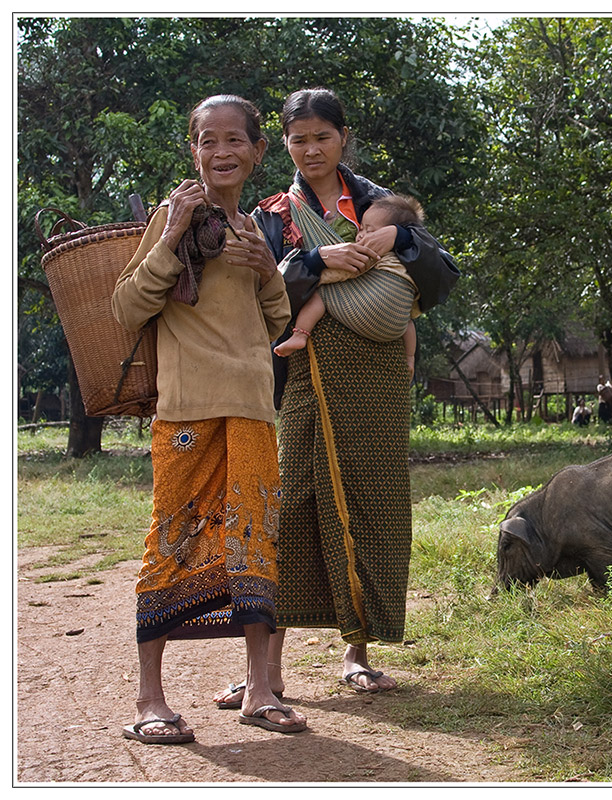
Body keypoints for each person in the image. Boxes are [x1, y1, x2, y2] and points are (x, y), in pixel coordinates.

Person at [213, 87, 458, 706]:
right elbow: (256, 288)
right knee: (291, 503)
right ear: (286, 145)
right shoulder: (272, 214)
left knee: (371, 500)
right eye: (299, 139)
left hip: (376, 379)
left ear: (343, 137)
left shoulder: (381, 205)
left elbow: (441, 273)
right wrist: (316, 260)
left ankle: (358, 653)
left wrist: (397, 242)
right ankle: (266, 669)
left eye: (323, 137)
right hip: (307, 373)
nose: (312, 149)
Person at [112, 94, 306, 742]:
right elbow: (127, 307)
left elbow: (277, 320)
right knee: (173, 536)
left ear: (256, 151)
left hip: (252, 407)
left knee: (255, 539)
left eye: (234, 141)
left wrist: (265, 271)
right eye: (208, 141)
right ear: (193, 151)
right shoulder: (177, 214)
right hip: (187, 408)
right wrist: (169, 239)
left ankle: (258, 690)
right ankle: (149, 700)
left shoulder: (254, 226)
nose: (221, 152)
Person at [274, 194, 425, 376]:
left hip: (371, 312)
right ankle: (410, 358)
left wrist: (316, 271)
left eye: (370, 231)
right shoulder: (407, 257)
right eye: (361, 228)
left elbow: (343, 272)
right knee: (409, 319)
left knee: (320, 294)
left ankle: (300, 334)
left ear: (390, 233)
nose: (361, 235)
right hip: (397, 326)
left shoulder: (372, 253)